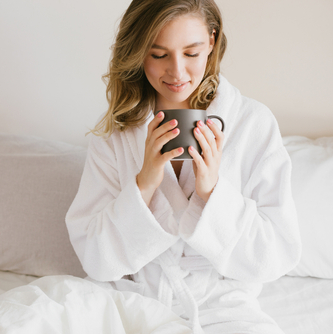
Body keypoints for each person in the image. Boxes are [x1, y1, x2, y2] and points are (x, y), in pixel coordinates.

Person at [65, 0, 302, 333]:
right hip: (130, 303)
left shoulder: (252, 124)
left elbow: (276, 254)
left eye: (191, 53)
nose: (176, 72)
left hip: (223, 309)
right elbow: (95, 258)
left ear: (212, 43)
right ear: (137, 52)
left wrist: (212, 191)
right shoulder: (118, 134)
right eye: (159, 54)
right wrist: (144, 182)